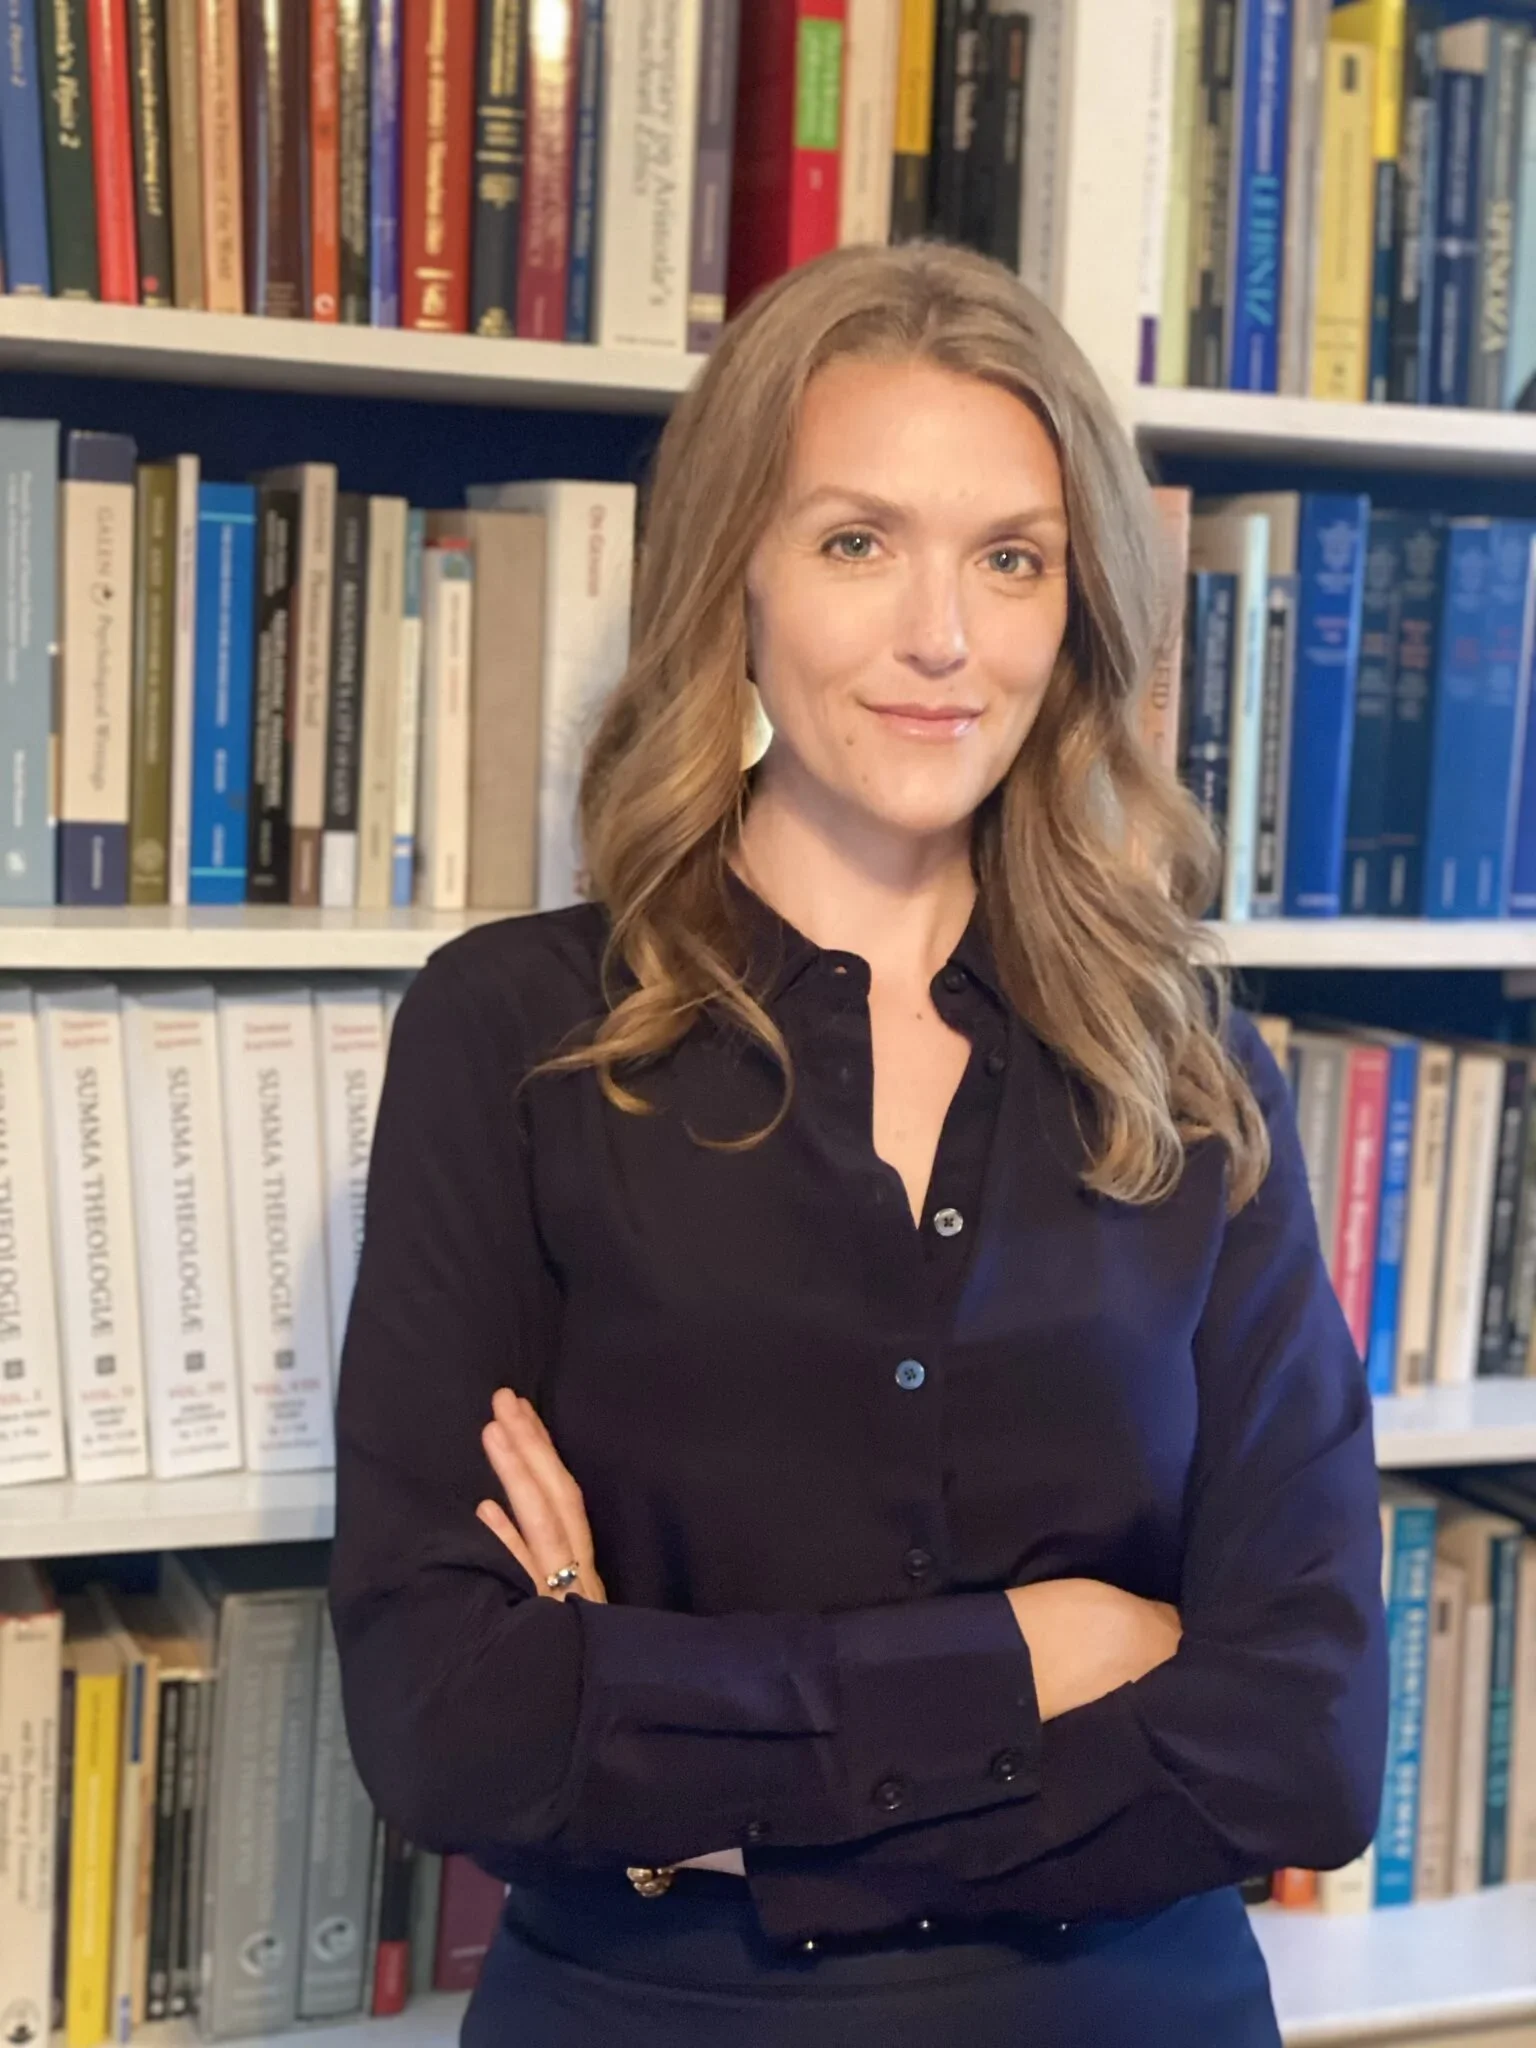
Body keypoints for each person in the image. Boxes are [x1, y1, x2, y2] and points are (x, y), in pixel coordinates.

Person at [327, 240, 1388, 2048]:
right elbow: (454, 1727)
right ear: (730, 571)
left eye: (1011, 559)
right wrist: (1048, 1652)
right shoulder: (513, 1034)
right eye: (855, 542)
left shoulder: (1183, 1064)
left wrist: (675, 1755)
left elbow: (1307, 1742)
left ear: (1075, 613)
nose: (942, 638)